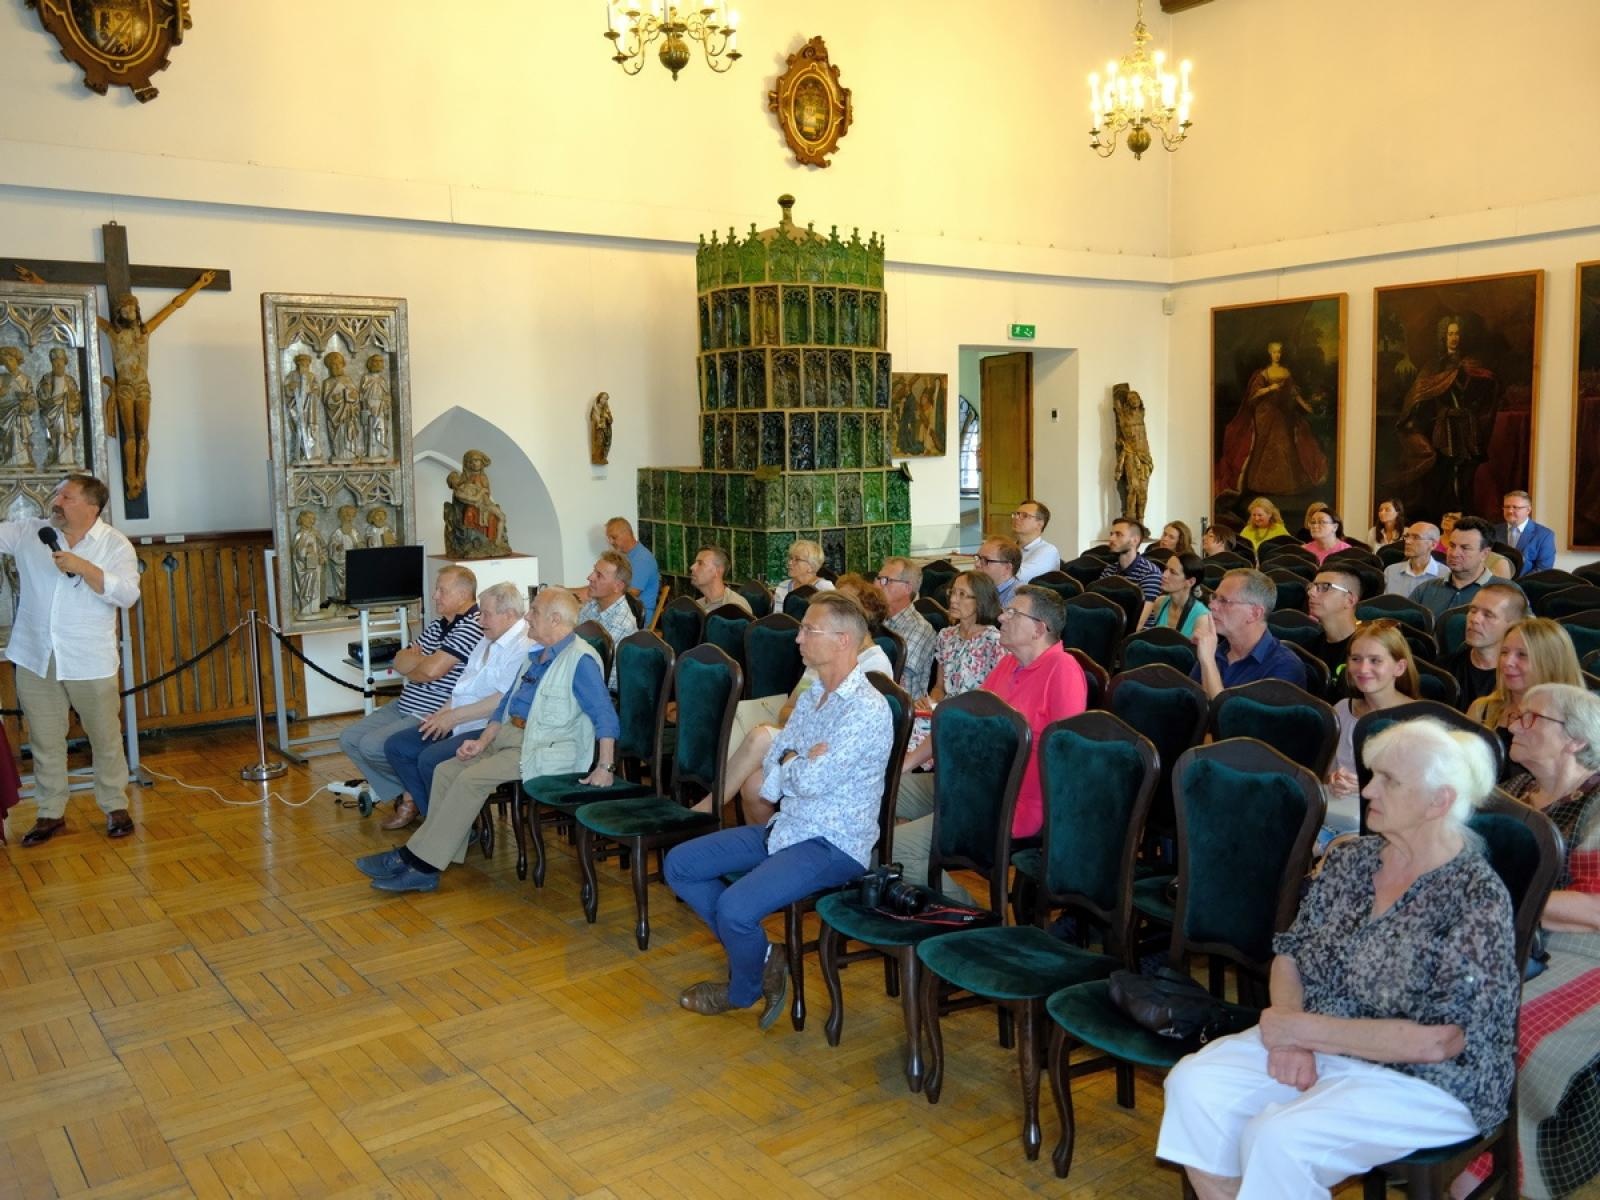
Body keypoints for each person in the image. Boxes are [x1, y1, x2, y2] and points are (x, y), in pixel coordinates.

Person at [1159, 718, 1518, 1199]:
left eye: (1389, 780)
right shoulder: (1352, 861)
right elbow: (1292, 954)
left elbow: (1441, 1041)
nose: (1368, 790)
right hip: (1324, 1040)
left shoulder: (1476, 894)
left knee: (1279, 1137)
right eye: (1374, 775)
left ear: (1440, 801)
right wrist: (1290, 1036)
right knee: (1194, 1085)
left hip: (1428, 1080)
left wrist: (1301, 1031)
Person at [664, 593, 893, 1029]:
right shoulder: (813, 696)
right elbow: (777, 767)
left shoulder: (865, 709)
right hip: (789, 826)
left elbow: (805, 777)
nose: (798, 639)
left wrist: (793, 761)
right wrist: (796, 760)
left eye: (809, 630)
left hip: (832, 844)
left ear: (843, 641)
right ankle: (767, 956)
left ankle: (742, 991)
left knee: (734, 908)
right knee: (682, 864)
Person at [356, 589, 618, 893]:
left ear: (555, 619)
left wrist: (605, 766)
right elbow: (506, 702)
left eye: (533, 611)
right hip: (512, 735)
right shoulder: (536, 654)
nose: (527, 616)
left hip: (547, 748)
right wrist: (482, 740)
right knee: (446, 770)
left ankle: (420, 864)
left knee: (469, 779)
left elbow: (605, 715)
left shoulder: (580, 659)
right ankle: (430, 855)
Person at [894, 585, 1087, 900]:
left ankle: (967, 914)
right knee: (883, 789)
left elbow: (1067, 759)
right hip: (971, 786)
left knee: (895, 847)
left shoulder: (1062, 671)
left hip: (1014, 801)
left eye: (1013, 613)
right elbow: (959, 719)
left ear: (1040, 628)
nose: (1001, 616)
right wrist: (909, 762)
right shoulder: (1010, 663)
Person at [1495, 683, 1600, 1200]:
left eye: (1531, 718)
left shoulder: (1596, 805)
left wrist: (1501, 895)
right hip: (1509, 935)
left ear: (1575, 741)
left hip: (1585, 953)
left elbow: (1596, 911)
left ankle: (1517, 1171)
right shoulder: (1512, 790)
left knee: (1513, 1024)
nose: (1514, 724)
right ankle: (1438, 1136)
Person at [3, 476, 141, 846]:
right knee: (46, 741)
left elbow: (128, 594)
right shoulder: (30, 533)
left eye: (67, 496)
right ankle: (50, 812)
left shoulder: (114, 544)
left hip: (89, 658)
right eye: (58, 494)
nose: (57, 500)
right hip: (36, 656)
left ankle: (115, 806)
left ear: (91, 507)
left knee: (105, 738)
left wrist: (86, 568)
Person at [379, 582, 533, 830]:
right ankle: (438, 822)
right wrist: (439, 715)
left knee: (429, 760)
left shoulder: (523, 646)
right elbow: (463, 688)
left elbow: (500, 702)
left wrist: (452, 718)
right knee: (397, 746)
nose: (480, 620)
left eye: (486, 614)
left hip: (488, 727)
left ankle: (453, 829)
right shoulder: (488, 637)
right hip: (460, 718)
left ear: (509, 615)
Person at [337, 566, 483, 811]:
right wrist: (421, 663)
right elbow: (399, 660)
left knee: (372, 746)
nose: (435, 596)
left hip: (432, 711)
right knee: (349, 738)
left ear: (462, 595)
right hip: (405, 704)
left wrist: (420, 664)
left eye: (441, 591)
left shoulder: (472, 626)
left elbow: (430, 671)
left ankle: (412, 796)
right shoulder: (439, 625)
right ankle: (411, 791)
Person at [97, 271, 215, 499]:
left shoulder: (145, 330)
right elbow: (86, 313)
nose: (129, 311)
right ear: (118, 312)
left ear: (137, 311)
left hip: (142, 386)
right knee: (130, 435)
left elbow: (173, 306)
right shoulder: (113, 332)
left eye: (132, 308)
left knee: (143, 435)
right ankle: (130, 478)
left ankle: (142, 476)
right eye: (124, 309)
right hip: (124, 387)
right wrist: (40, 284)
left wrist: (199, 284)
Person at [1322, 620, 1420, 844]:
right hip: (1337, 811)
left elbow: (1417, 794)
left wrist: (1366, 784)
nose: (1363, 669)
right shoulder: (1341, 709)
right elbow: (1326, 774)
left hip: (1384, 826)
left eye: (1375, 660)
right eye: (1356, 659)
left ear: (1399, 667)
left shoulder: (1415, 720)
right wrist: (1335, 779)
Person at [1394, 315, 1499, 516]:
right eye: (1450, 333)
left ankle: (1465, 510)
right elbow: (1420, 391)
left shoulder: (1472, 364)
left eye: (1458, 333)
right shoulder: (1435, 366)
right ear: (1444, 336)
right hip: (1445, 427)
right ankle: (1445, 512)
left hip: (1467, 426)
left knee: (1467, 470)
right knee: (1445, 470)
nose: (1454, 338)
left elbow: (1486, 385)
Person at [1215, 339, 1329, 499]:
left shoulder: (1286, 372)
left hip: (1282, 414)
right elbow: (1253, 395)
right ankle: (1259, 484)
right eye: (1274, 352)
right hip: (1265, 413)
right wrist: (1269, 388)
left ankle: (1284, 485)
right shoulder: (1263, 373)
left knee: (1284, 444)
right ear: (1269, 353)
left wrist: (1305, 406)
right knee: (1265, 447)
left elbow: (1293, 394)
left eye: (1279, 352)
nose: (1277, 355)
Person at [1467, 618, 1584, 753]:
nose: (1507, 662)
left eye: (1522, 655)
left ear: (1551, 663)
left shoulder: (1573, 723)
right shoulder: (1481, 709)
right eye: (1504, 652)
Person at [1190, 568, 1308, 699]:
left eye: (1223, 600)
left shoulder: (1285, 666)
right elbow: (1190, 703)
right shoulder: (1216, 650)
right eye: (1214, 597)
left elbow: (1228, 717)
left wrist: (1208, 662)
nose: (1212, 606)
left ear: (1254, 614)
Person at [1450, 580, 1529, 713]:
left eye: (1488, 615)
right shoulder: (1446, 668)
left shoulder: (1519, 681)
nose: (1475, 619)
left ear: (1513, 625)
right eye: (1472, 610)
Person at [1411, 516, 1498, 619]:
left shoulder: (1506, 593)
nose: (1454, 553)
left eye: (1465, 548)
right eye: (1452, 546)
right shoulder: (1425, 589)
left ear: (1484, 554)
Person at [576, 550, 639, 689]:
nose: (590, 577)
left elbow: (598, 672)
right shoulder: (592, 605)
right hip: (583, 677)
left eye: (599, 575)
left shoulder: (621, 624)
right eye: (594, 571)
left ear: (618, 586)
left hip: (603, 691)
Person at [877, 557, 936, 699]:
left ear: (907, 588)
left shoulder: (919, 628)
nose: (878, 586)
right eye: (878, 579)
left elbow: (894, 675)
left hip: (903, 706)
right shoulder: (878, 619)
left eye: (886, 581)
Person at [1305, 563, 1364, 690]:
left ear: (1349, 600)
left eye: (1325, 587)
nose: (1311, 593)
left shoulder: (1370, 646)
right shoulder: (1311, 646)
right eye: (1312, 587)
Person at [1100, 517, 1164, 625]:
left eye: (1118, 534)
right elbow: (1099, 609)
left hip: (1138, 637)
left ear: (1135, 540)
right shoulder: (1109, 570)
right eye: (1111, 534)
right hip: (1110, 629)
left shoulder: (1150, 573)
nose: (1111, 539)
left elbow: (1139, 623)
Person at [1144, 552, 1210, 637]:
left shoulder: (1202, 618)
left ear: (1190, 582)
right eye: (1166, 569)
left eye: (1173, 572)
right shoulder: (1159, 603)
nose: (1164, 575)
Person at [1491, 490, 1555, 576]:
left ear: (1528, 510)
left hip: (1527, 586)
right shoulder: (1493, 531)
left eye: (1515, 507)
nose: (1510, 511)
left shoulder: (1544, 535)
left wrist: (1515, 585)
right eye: (1507, 507)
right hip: (1495, 585)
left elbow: (1543, 569)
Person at [37, 347, 83, 468]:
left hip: (66, 413)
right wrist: (51, 400)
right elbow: (42, 397)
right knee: (57, 434)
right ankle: (56, 459)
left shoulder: (70, 380)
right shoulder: (46, 379)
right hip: (52, 413)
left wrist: (72, 403)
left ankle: (67, 460)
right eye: (54, 360)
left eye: (60, 360)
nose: (58, 363)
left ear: (65, 361)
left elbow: (77, 398)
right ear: (51, 363)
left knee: (66, 433)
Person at [606, 517, 659, 617]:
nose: (611, 542)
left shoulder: (642, 558)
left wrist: (602, 597)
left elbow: (632, 594)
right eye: (609, 538)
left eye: (614, 537)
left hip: (638, 615)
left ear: (626, 534)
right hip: (624, 611)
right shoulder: (624, 556)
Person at [1383, 521, 1445, 598]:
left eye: (1416, 537)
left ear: (1433, 545)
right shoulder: (1391, 571)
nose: (1407, 541)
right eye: (1407, 536)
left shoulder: (1445, 574)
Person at [689, 545, 752, 614]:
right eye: (695, 563)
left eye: (700, 563)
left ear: (717, 571)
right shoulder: (695, 607)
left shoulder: (736, 606)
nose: (692, 567)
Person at [772, 539, 834, 608]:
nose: (790, 563)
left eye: (797, 559)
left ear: (811, 566)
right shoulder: (783, 586)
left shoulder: (825, 588)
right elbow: (778, 617)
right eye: (790, 558)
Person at [1011, 499, 1061, 582]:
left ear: (1039, 524)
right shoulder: (1008, 547)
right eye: (1016, 514)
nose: (1016, 518)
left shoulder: (1048, 551)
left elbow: (1019, 578)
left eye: (1024, 515)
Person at [975, 536, 1022, 607]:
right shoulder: (980, 588)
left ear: (1007, 568)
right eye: (978, 558)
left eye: (985, 560)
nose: (977, 564)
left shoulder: (1017, 598)